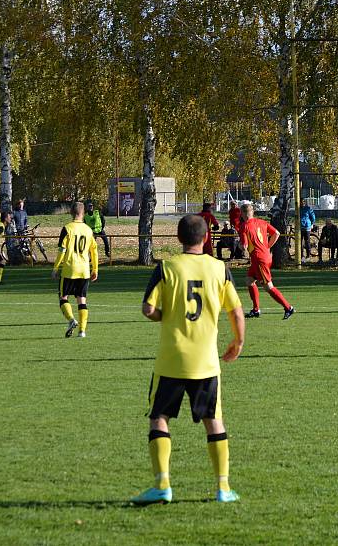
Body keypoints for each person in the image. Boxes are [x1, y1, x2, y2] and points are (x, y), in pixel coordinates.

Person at [131, 215, 245, 506]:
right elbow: (236, 309)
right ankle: (223, 488)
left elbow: (147, 309)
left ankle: (162, 486)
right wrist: (238, 341)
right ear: (206, 238)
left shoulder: (167, 268)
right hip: (206, 362)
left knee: (159, 417)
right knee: (213, 421)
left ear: (179, 239)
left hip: (171, 360)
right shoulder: (220, 268)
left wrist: (163, 316)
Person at [239, 203, 295, 319]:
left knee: (268, 287)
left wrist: (240, 246)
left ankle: (288, 308)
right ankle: (256, 310)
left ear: (242, 213)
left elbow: (244, 246)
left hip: (259, 259)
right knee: (249, 280)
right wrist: (267, 247)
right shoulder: (262, 222)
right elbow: (277, 233)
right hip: (264, 256)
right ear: (252, 212)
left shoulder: (244, 226)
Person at [51, 202, 98, 338]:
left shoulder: (67, 229)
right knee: (82, 299)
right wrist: (95, 269)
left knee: (63, 297)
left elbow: (62, 250)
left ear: (71, 212)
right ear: (83, 213)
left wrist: (55, 268)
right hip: (84, 270)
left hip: (69, 269)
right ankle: (82, 331)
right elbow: (94, 252)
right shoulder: (88, 230)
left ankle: (71, 320)